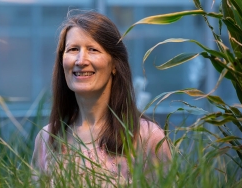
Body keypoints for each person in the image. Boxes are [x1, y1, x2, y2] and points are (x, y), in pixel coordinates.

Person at [31, 10, 171, 186]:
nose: (81, 60)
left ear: (114, 64)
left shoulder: (147, 137)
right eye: (73, 49)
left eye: (93, 50)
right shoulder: (47, 138)